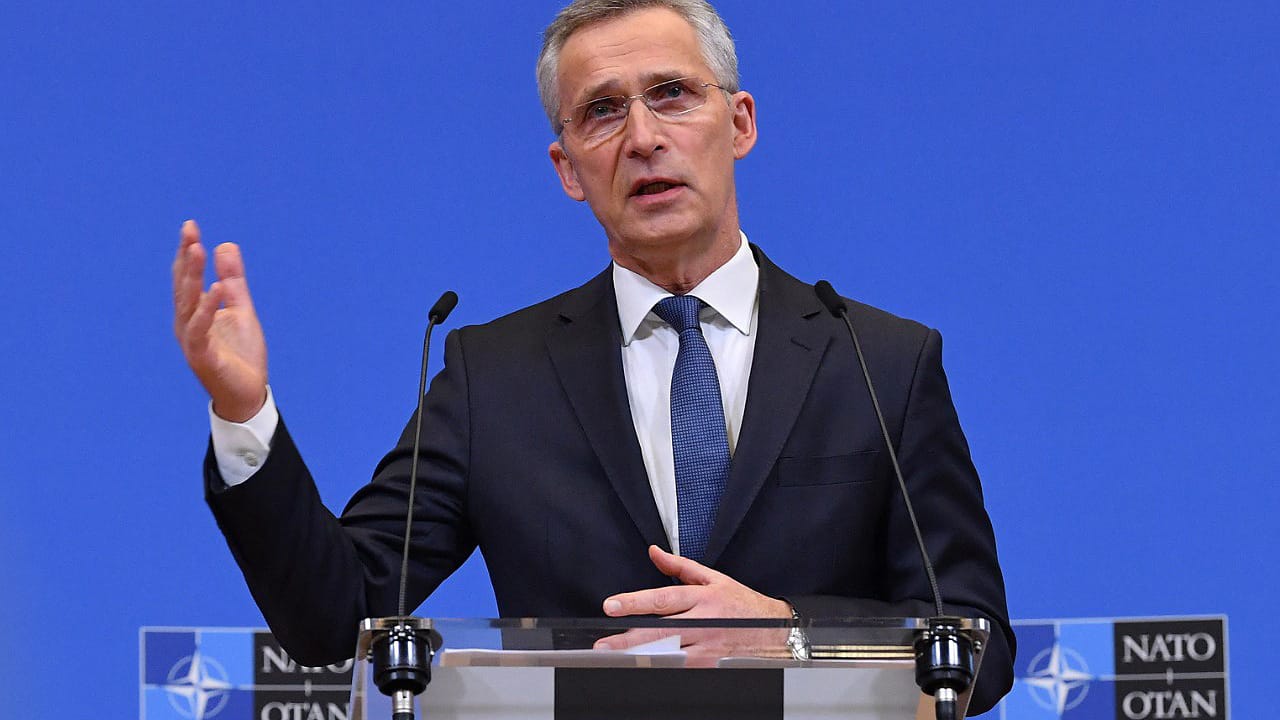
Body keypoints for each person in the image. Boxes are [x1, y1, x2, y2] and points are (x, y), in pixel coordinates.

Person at [172, 0, 1015, 713]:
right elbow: (335, 615)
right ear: (567, 167)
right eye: (603, 111)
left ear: (740, 123)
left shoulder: (879, 362)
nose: (643, 137)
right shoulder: (495, 378)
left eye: (672, 94)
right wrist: (243, 414)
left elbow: (979, 645)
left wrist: (791, 634)